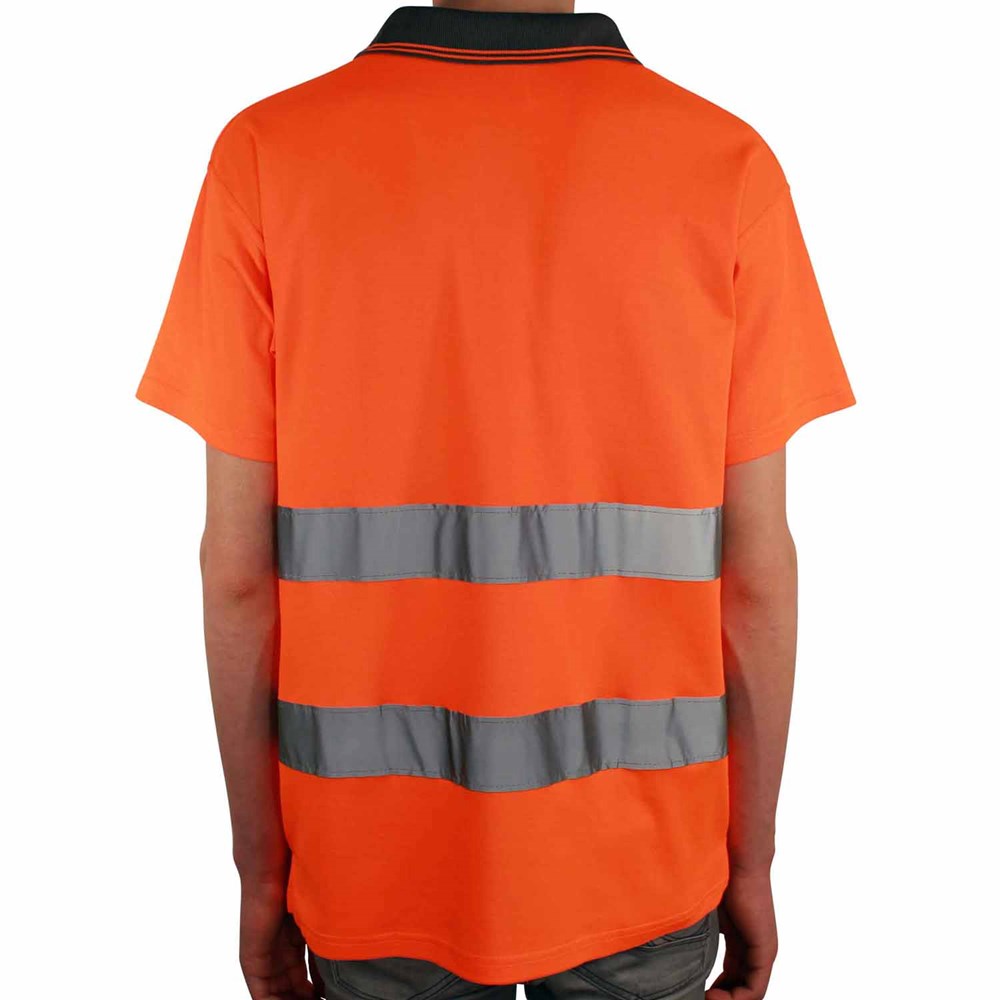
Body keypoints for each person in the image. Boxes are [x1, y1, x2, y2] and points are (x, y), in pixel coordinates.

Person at [135, 2, 855, 998]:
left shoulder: (267, 155)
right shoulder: (724, 165)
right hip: (641, 861)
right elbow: (757, 579)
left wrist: (259, 872)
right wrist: (752, 860)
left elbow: (236, 576)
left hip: (373, 864)